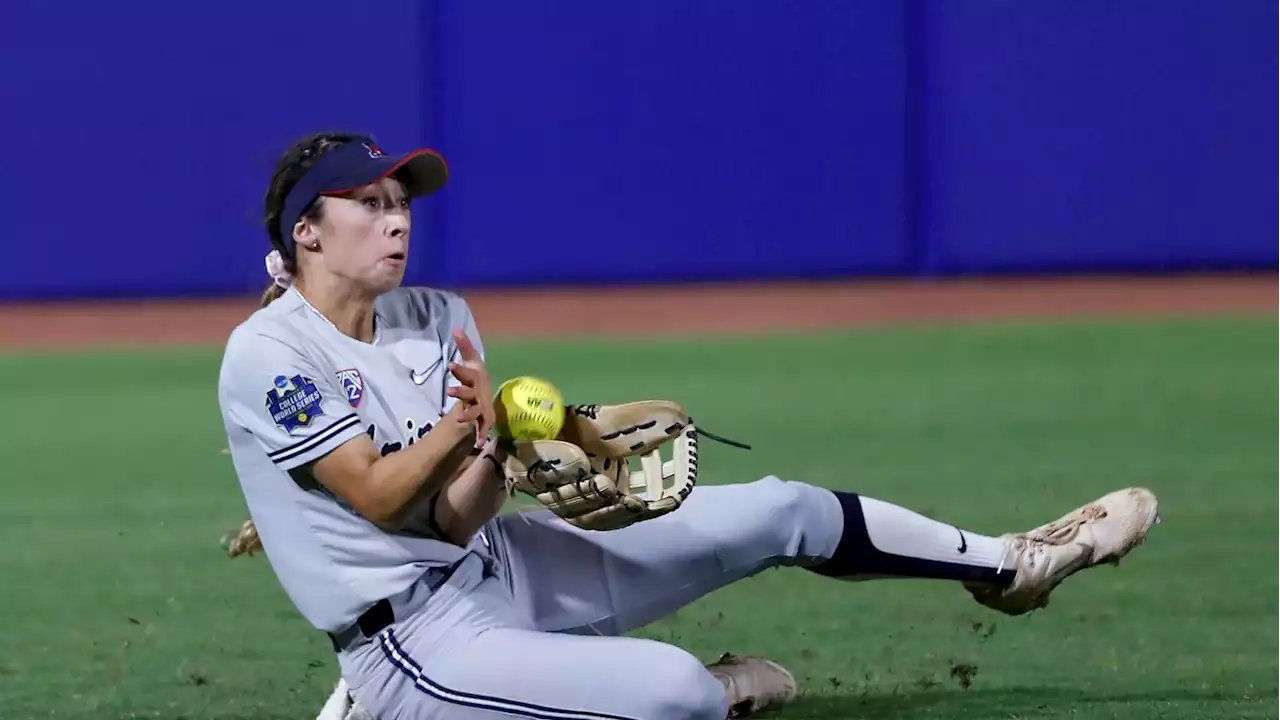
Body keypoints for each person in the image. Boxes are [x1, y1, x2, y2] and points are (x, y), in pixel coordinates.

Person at [217, 131, 1161, 720]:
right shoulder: (270, 353)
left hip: (492, 567)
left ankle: (1011, 566)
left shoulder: (439, 315)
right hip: (410, 645)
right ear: (308, 231)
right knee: (674, 693)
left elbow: (455, 520)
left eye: (403, 205)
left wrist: (501, 453)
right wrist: (474, 423)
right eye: (370, 205)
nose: (397, 222)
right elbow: (382, 499)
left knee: (783, 509)